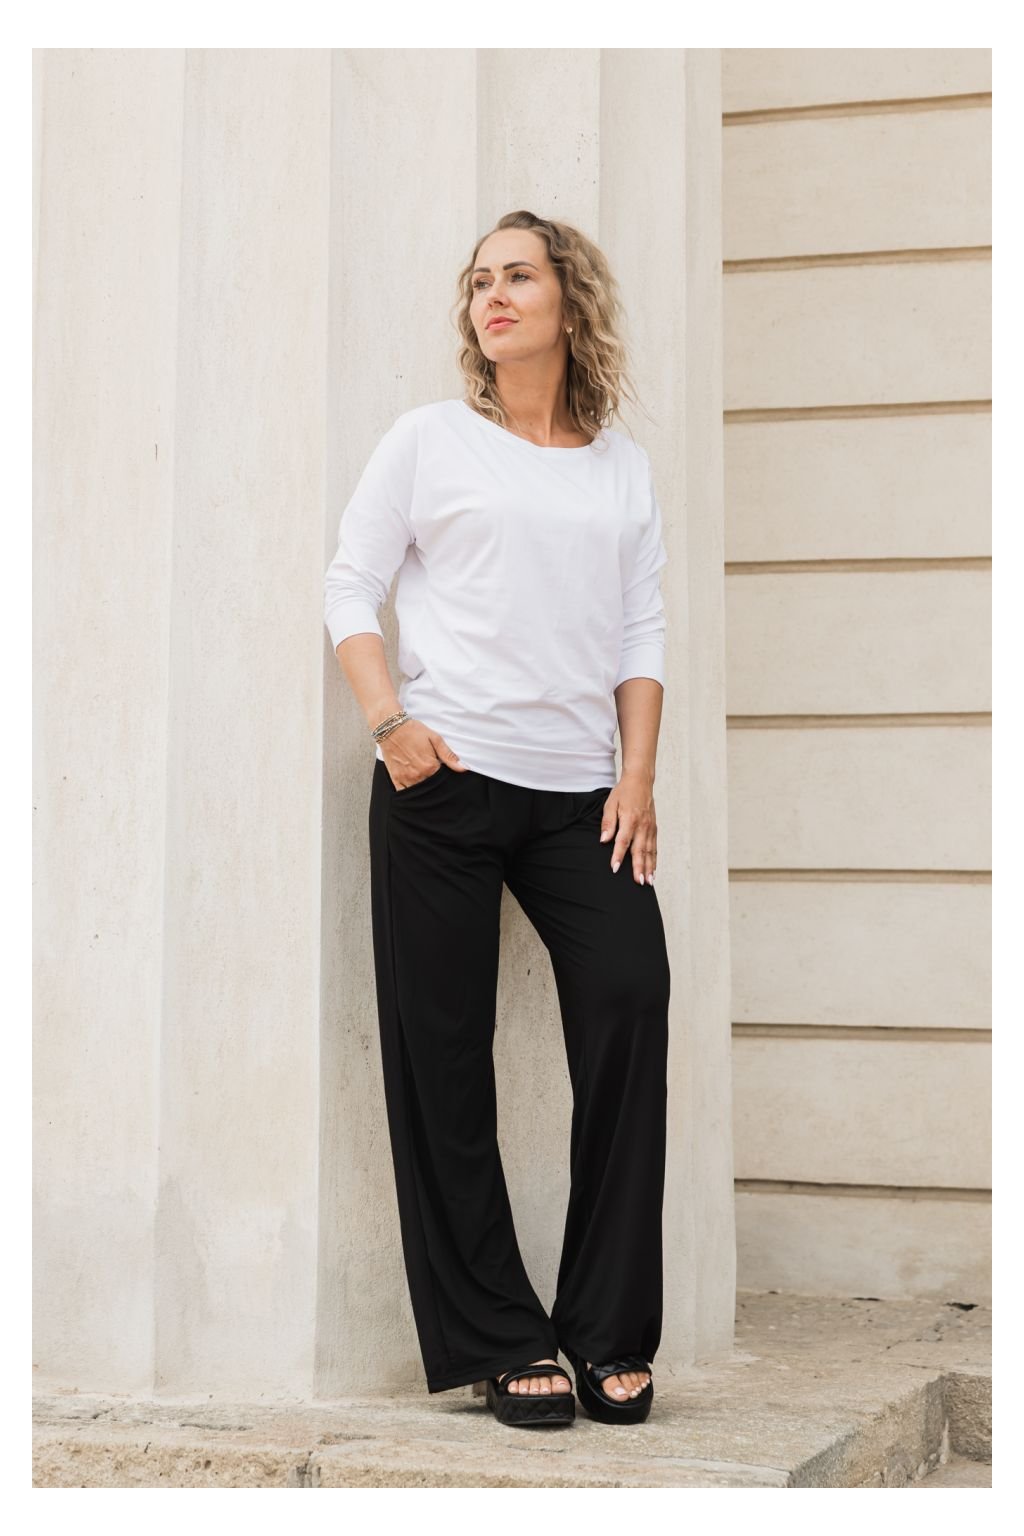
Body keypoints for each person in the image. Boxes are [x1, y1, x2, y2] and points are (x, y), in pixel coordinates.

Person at [324, 210, 670, 1429]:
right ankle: (498, 1335)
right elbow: (350, 583)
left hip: (582, 798)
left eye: (519, 276)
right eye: (480, 281)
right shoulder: (429, 441)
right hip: (446, 784)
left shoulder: (618, 467)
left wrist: (636, 777)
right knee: (443, 1055)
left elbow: (639, 631)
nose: (494, 296)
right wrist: (389, 723)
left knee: (630, 1000)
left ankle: (608, 1326)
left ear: (570, 301)